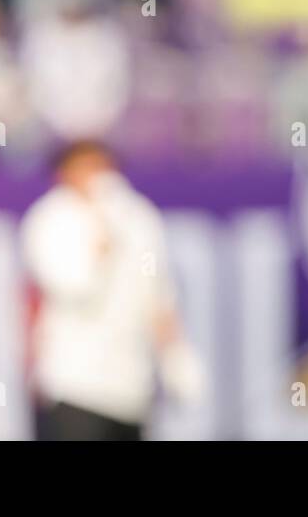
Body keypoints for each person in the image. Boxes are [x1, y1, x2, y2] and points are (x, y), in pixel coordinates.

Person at [20, 140, 204, 440]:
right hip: (73, 387)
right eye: (84, 167)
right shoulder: (49, 220)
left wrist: (176, 358)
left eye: (101, 166)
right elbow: (75, 287)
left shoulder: (140, 217)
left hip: (132, 392)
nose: (97, 177)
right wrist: (102, 232)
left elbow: (157, 297)